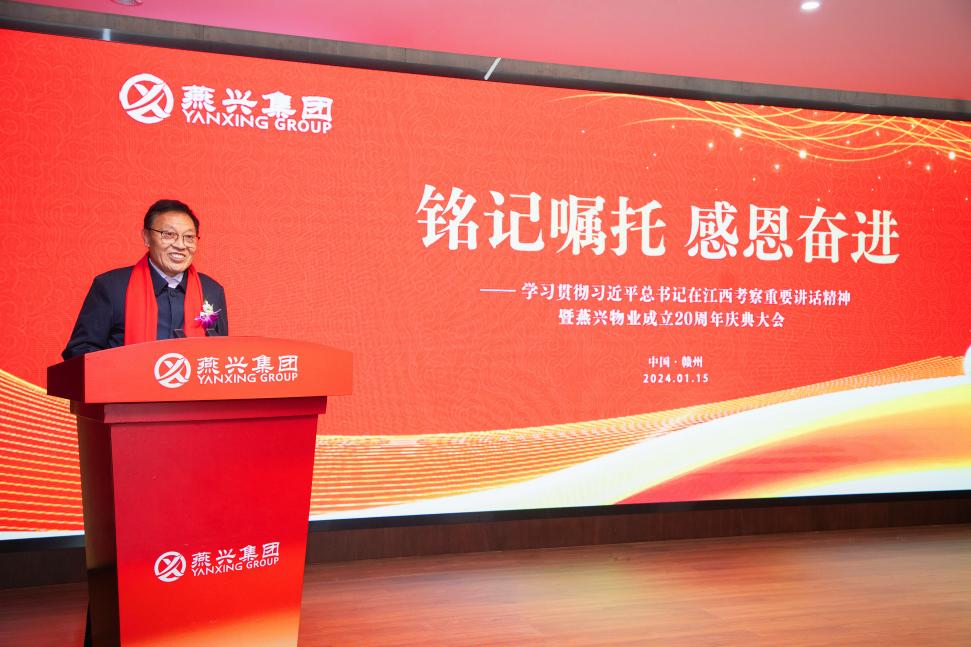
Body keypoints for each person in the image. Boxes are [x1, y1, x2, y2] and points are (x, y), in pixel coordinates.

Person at [62, 199, 228, 359]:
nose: (180, 245)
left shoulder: (212, 291)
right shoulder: (111, 287)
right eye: (169, 234)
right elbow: (79, 352)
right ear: (146, 237)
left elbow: (222, 356)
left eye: (189, 237)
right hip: (125, 378)